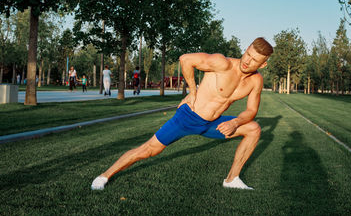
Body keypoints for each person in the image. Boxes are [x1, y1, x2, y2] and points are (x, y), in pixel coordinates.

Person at [91, 37, 273, 191]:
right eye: (248, 54)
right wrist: (193, 91)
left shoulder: (256, 80)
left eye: (255, 60)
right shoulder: (222, 63)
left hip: (211, 123)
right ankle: (104, 176)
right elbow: (185, 59)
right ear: (246, 49)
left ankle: (231, 179)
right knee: (147, 150)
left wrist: (235, 122)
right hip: (188, 117)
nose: (248, 61)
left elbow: (251, 111)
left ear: (263, 64)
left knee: (253, 129)